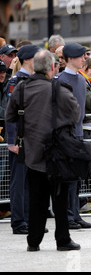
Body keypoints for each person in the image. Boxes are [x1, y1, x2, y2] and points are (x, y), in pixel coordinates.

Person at [6, 49, 81, 251]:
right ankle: (63, 240)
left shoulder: (21, 89)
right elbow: (75, 114)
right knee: (60, 199)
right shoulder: (59, 89)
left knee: (36, 200)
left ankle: (33, 241)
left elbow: (10, 115)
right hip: (58, 152)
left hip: (32, 153)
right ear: (51, 68)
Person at [55, 42, 91, 229]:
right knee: (67, 179)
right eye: (81, 57)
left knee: (77, 177)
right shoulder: (59, 79)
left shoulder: (81, 79)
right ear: (70, 58)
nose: (84, 59)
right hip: (65, 135)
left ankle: (75, 214)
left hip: (78, 133)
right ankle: (68, 216)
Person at [5, 45, 40, 235]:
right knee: (19, 182)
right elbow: (11, 114)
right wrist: (12, 141)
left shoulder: (33, 80)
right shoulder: (16, 81)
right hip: (20, 138)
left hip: (33, 138)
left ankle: (28, 219)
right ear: (27, 59)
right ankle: (19, 221)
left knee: (31, 182)